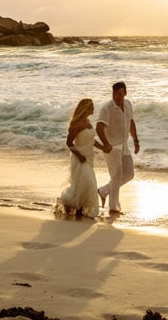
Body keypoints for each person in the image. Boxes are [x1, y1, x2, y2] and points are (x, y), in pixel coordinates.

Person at [96, 81, 140, 214]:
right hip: (112, 147)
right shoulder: (107, 108)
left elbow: (131, 122)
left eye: (120, 94)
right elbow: (99, 127)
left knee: (129, 173)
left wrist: (136, 140)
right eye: (114, 94)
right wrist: (105, 144)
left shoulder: (128, 104)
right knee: (116, 176)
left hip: (124, 145)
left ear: (125, 93)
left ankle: (103, 191)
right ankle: (113, 207)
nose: (117, 96)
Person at [58, 98, 104, 218]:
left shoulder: (88, 122)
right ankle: (72, 204)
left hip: (89, 157)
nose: (93, 109)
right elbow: (69, 142)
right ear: (85, 108)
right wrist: (79, 156)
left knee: (83, 184)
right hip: (79, 157)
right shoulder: (77, 125)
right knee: (87, 183)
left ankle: (79, 208)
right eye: (91, 107)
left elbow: (92, 140)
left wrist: (103, 148)